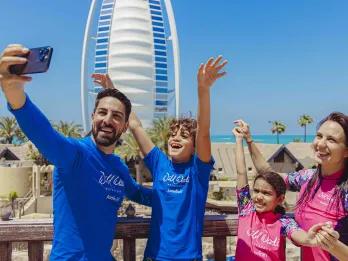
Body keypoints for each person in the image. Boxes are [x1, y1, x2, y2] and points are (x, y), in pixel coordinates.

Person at [0, 44, 152, 261]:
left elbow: (139, 193)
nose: (108, 120)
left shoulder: (118, 167)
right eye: (102, 112)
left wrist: (183, 192)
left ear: (125, 126)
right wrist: (13, 92)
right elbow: (44, 133)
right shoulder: (75, 154)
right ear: (92, 117)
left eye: (116, 116)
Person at [93, 55, 227, 260]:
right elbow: (135, 125)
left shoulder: (197, 171)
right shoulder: (160, 163)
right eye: (172, 134)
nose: (175, 138)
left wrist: (203, 89)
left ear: (194, 147)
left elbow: (203, 132)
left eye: (183, 136)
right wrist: (113, 91)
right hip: (154, 256)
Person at [236, 116, 348, 261]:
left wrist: (331, 244)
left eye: (331, 140)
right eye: (319, 136)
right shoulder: (307, 178)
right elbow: (270, 176)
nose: (320, 144)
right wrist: (249, 140)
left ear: (346, 151)